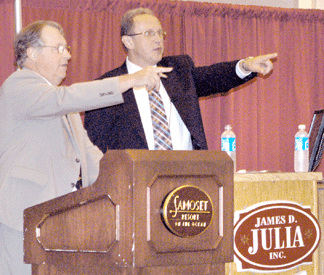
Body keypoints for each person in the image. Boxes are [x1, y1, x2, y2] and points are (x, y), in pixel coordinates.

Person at [0, 20, 172, 274]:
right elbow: (66, 98)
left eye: (66, 48)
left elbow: (89, 154)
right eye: (58, 48)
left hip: (58, 218)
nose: (68, 55)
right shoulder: (19, 86)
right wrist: (129, 81)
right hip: (23, 217)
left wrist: (135, 182)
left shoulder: (57, 99)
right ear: (31, 53)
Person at [84, 8, 277, 152]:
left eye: (160, 33)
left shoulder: (178, 70)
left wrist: (245, 66)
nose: (158, 39)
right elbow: (97, 148)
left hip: (188, 180)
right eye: (149, 33)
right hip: (137, 187)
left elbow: (213, 77)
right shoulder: (109, 86)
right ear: (128, 41)